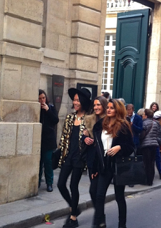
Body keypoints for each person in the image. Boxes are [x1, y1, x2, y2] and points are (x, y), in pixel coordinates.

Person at [90, 99, 134, 228]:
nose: (108, 110)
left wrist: (119, 147)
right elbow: (96, 148)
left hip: (118, 165)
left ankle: (122, 225)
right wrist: (94, 168)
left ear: (118, 110)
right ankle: (99, 223)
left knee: (119, 197)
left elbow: (131, 147)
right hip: (104, 163)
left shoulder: (123, 125)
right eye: (108, 107)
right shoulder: (99, 125)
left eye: (112, 108)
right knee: (99, 195)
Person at [57, 88, 92, 228]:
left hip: (80, 157)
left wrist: (89, 138)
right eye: (74, 100)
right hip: (68, 156)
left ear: (83, 102)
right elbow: (64, 137)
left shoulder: (89, 119)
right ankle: (75, 207)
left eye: (78, 100)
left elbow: (94, 138)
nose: (75, 102)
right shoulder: (70, 117)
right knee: (60, 184)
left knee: (73, 185)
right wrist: (61, 153)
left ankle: (73, 217)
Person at [83, 96, 108, 211]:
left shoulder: (109, 120)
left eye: (98, 105)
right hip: (92, 158)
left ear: (104, 105)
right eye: (95, 105)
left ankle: (99, 217)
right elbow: (82, 137)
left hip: (104, 159)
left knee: (98, 192)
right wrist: (85, 138)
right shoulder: (89, 120)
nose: (96, 107)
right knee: (93, 191)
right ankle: (100, 214)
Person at [38, 89, 59, 192]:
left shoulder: (50, 108)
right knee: (38, 163)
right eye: (40, 98)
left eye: (43, 98)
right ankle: (36, 182)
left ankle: (49, 183)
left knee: (48, 162)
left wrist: (48, 110)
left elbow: (56, 120)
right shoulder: (36, 108)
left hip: (49, 140)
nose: (42, 100)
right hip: (38, 139)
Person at [141, 109, 161, 185]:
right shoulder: (156, 123)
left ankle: (146, 180)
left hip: (146, 145)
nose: (143, 116)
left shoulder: (144, 123)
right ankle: (151, 180)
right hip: (154, 145)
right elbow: (159, 135)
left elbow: (142, 135)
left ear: (146, 115)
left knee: (146, 163)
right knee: (151, 163)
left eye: (143, 114)